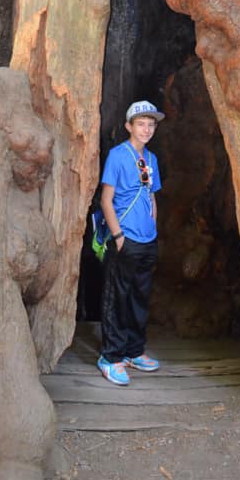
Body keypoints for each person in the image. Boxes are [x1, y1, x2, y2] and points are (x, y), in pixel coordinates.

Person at [97, 100, 165, 385]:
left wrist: (154, 229)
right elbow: (106, 200)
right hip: (125, 239)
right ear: (129, 126)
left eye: (151, 125)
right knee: (117, 297)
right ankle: (111, 357)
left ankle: (134, 351)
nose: (146, 129)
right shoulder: (117, 156)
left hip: (147, 240)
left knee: (140, 297)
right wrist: (118, 236)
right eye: (141, 124)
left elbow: (152, 196)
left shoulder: (151, 159)